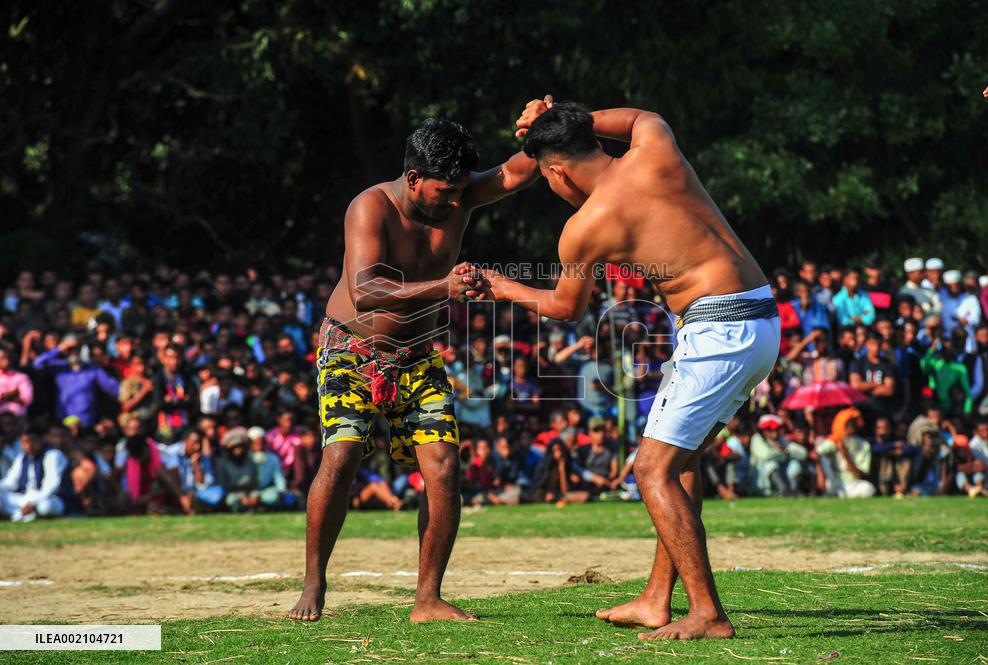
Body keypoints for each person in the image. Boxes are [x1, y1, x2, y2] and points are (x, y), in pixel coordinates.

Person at [479, 97, 780, 639]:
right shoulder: (653, 143)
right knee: (680, 463)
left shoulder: (585, 225)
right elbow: (636, 117)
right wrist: (558, 117)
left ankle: (708, 613)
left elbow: (565, 309)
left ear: (557, 172)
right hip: (760, 319)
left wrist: (501, 286)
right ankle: (656, 598)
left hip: (717, 329)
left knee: (650, 471)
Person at [290, 117, 540, 623]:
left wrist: (546, 128)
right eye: (444, 192)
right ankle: (313, 581)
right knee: (341, 458)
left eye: (460, 191)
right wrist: (442, 288)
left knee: (444, 469)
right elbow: (366, 290)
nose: (454, 202)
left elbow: (516, 175)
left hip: (419, 353)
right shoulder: (370, 206)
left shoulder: (460, 196)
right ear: (412, 177)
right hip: (351, 350)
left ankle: (428, 598)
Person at [0, 429, 72, 522]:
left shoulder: (52, 455)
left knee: (46, 507)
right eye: (25, 442)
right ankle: (24, 514)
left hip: (48, 498)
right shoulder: (22, 457)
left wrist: (32, 503)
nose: (29, 445)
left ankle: (20, 514)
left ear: (41, 440)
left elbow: (51, 486)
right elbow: (10, 483)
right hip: (24, 497)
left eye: (33, 441)